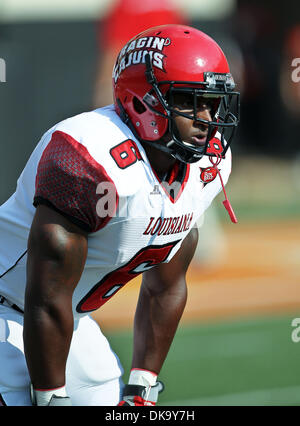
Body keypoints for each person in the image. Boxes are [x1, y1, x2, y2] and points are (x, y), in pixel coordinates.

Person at [0, 24, 239, 406]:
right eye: (189, 101)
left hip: (69, 319)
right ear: (143, 102)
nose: (206, 119)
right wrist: (51, 397)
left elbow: (166, 284)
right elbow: (46, 296)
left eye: (212, 102)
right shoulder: (90, 160)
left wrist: (143, 386)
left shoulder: (206, 166)